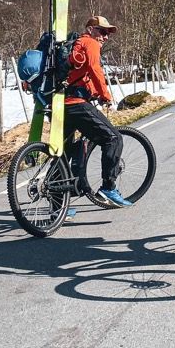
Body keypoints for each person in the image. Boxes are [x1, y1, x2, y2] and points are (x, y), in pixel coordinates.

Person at [64, 15, 132, 207]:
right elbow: (95, 70)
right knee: (113, 138)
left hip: (60, 104)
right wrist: (106, 95)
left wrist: (94, 93)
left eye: (108, 33)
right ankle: (108, 188)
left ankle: (57, 206)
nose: (106, 36)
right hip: (76, 104)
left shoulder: (76, 45)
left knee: (63, 152)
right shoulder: (90, 43)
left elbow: (80, 76)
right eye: (102, 31)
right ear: (91, 29)